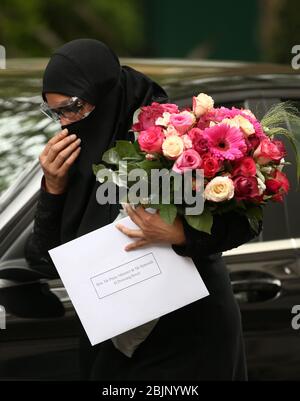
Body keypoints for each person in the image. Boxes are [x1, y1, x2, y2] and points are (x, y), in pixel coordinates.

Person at [25, 38, 261, 381]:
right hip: (111, 341)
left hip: (187, 336)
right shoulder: (75, 158)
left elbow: (248, 222)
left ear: (105, 94)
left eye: (72, 108)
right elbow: (44, 261)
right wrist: (53, 189)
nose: (64, 124)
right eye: (55, 112)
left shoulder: (174, 135)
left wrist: (179, 234)